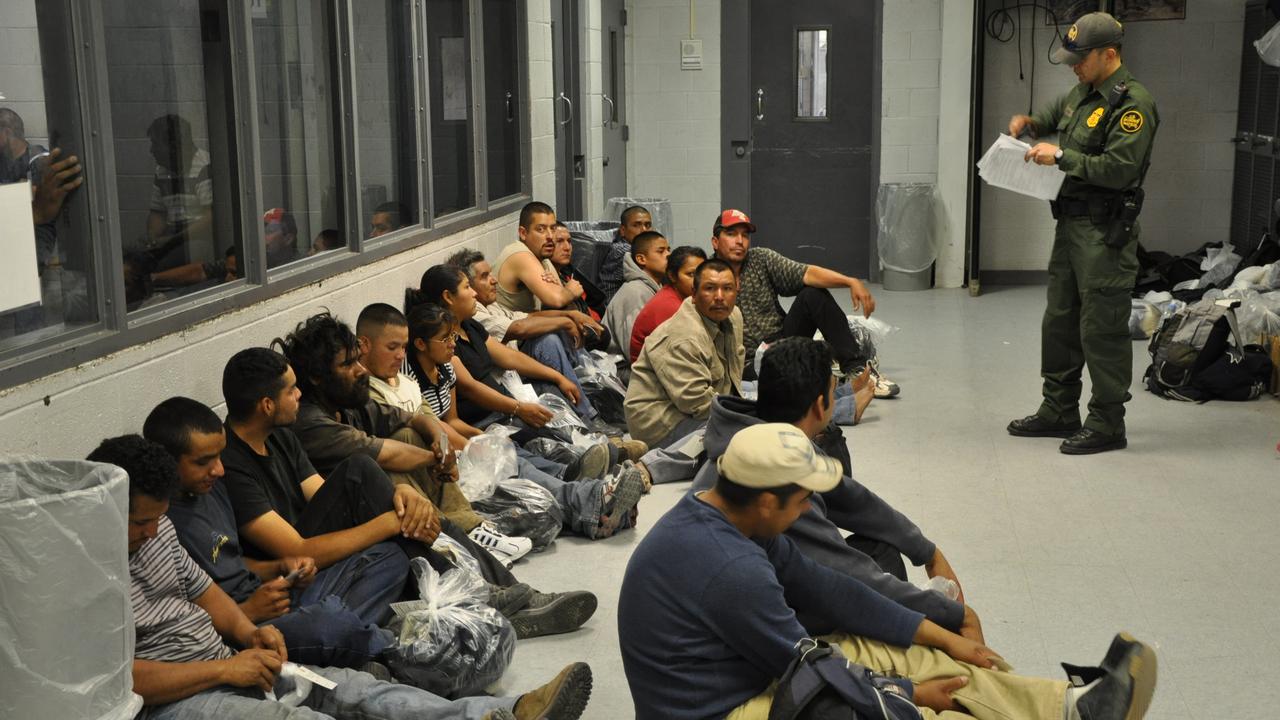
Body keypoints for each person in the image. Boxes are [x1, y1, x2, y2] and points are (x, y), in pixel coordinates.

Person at [617, 422, 1158, 720]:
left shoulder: (733, 520)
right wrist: (909, 696)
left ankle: (1067, 709)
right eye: (803, 500)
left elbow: (832, 590)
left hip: (751, 675)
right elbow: (812, 668)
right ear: (764, 500)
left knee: (917, 655)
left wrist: (944, 635)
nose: (808, 510)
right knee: (901, 716)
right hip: (723, 711)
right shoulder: (730, 567)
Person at [87, 433, 594, 720]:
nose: (152, 530)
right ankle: (406, 641)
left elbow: (206, 591)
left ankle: (503, 714)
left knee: (351, 690)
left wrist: (250, 637)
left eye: (157, 517)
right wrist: (226, 668)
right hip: (178, 698)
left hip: (234, 656)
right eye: (139, 521)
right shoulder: (83, 579)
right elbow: (118, 682)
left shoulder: (160, 531)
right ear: (101, 507)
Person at [223, 343, 594, 638]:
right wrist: (390, 521)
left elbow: (326, 494)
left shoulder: (280, 437)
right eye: (291, 390)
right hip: (295, 572)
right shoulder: (233, 464)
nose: (299, 395)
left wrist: (404, 499)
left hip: (315, 539)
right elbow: (297, 550)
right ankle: (484, 593)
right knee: (384, 498)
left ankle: (511, 592)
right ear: (267, 404)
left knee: (369, 476)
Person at [691, 337, 978, 637]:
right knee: (891, 583)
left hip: (745, 596)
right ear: (819, 406)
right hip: (750, 625)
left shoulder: (756, 434)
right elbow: (847, 577)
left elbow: (850, 499)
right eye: (834, 392)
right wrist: (950, 616)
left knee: (881, 551)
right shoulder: (779, 479)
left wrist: (927, 551)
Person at [144, 396, 407, 669]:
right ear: (167, 462)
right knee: (330, 622)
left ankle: (344, 640)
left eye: (220, 456)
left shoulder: (212, 488)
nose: (219, 469)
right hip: (245, 627)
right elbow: (177, 621)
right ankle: (394, 646)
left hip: (273, 598)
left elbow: (228, 561)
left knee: (390, 558)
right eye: (203, 462)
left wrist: (278, 567)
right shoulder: (156, 526)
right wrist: (249, 612)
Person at [1006, 12, 1159, 455]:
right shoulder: (1083, 93)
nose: (1073, 66)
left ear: (1109, 54)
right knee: (1059, 320)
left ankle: (1108, 423)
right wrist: (1031, 124)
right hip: (1070, 226)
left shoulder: (1133, 105)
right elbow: (1057, 115)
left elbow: (1117, 169)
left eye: (1080, 58)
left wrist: (1061, 159)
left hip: (1104, 232)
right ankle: (1058, 410)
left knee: (1102, 328)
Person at [271, 314, 534, 567]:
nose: (361, 371)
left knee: (410, 434)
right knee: (375, 464)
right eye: (347, 365)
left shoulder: (346, 402)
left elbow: (415, 419)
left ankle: (470, 529)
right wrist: (440, 458)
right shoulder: (309, 422)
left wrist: (441, 446)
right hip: (346, 524)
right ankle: (449, 541)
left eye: (357, 361)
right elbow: (387, 455)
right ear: (317, 377)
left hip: (382, 508)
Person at [403, 298, 646, 541]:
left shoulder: (445, 367)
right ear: (421, 344)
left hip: (460, 441)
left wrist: (485, 440)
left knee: (514, 452)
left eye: (453, 337)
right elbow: (437, 425)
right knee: (515, 464)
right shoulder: (410, 379)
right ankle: (592, 493)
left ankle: (579, 480)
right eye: (445, 339)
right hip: (443, 459)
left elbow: (452, 419)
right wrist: (477, 443)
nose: (452, 345)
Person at [710, 209, 894, 396]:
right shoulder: (707, 278)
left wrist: (850, 282)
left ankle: (857, 370)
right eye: (731, 234)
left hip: (781, 341)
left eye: (745, 235)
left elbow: (807, 273)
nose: (740, 241)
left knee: (812, 295)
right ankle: (816, 369)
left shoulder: (759, 259)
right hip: (747, 364)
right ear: (715, 242)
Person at [448, 248, 603, 420]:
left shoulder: (485, 309)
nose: (494, 281)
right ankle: (588, 417)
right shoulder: (473, 313)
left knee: (557, 342)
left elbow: (527, 317)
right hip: (499, 395)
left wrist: (569, 316)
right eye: (484, 277)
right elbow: (518, 328)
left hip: (514, 378)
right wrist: (564, 321)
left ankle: (588, 416)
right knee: (548, 341)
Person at [625, 259, 743, 449]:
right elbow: (696, 404)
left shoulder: (733, 316)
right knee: (738, 439)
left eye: (727, 288)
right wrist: (744, 418)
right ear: (694, 295)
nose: (720, 297)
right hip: (661, 423)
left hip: (696, 405)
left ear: (737, 291)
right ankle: (648, 464)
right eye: (710, 288)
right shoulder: (685, 335)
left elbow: (734, 375)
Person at [145, 114, 214, 269]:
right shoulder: (161, 170)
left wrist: (172, 240)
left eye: (155, 144)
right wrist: (152, 239)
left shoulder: (203, 166)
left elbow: (211, 219)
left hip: (198, 237)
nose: (152, 150)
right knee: (138, 260)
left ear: (173, 146)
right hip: (173, 234)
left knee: (161, 266)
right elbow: (158, 213)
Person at [493, 201, 583, 312]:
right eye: (541, 229)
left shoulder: (543, 258)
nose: (550, 236)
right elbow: (557, 300)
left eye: (553, 228)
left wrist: (562, 293)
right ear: (523, 233)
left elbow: (564, 307)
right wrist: (570, 291)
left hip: (535, 324)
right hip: (512, 326)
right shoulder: (519, 254)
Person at [629, 245, 707, 363]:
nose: (698, 280)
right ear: (672, 276)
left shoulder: (684, 298)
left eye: (702, 274)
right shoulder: (670, 307)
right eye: (691, 274)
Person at [602, 230, 669, 357]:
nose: (668, 255)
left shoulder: (655, 287)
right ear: (641, 259)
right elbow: (633, 350)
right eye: (661, 251)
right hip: (621, 368)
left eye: (668, 250)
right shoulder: (635, 292)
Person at [550, 222, 608, 321]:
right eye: (559, 241)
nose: (567, 247)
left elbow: (596, 303)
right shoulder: (545, 279)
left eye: (569, 241)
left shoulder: (569, 272)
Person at [598, 205, 653, 301]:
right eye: (636, 225)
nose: (644, 230)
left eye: (647, 225)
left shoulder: (639, 249)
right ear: (623, 231)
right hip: (615, 312)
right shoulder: (623, 251)